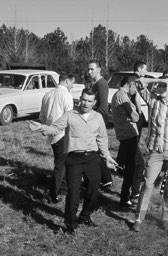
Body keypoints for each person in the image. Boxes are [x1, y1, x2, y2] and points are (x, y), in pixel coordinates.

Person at [29, 88, 118, 234]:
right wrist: (42, 127)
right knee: (74, 193)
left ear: (94, 103)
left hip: (92, 158)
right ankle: (70, 223)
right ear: (80, 99)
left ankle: (85, 216)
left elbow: (102, 138)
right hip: (74, 159)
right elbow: (56, 128)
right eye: (83, 100)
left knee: (92, 191)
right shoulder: (70, 115)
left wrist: (107, 157)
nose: (86, 103)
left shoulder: (98, 118)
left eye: (89, 101)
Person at [132, 76, 168, 232]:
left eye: (165, 86)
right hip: (155, 153)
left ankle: (165, 218)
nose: (161, 88)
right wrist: (155, 81)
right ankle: (138, 218)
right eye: (159, 85)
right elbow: (138, 83)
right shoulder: (153, 101)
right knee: (148, 184)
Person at [38, 72, 75, 204]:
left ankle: (63, 189)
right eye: (72, 83)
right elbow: (69, 117)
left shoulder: (47, 94)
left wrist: (45, 128)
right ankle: (52, 194)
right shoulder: (66, 95)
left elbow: (41, 115)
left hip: (51, 134)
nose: (72, 86)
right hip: (62, 134)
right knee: (60, 165)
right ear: (66, 81)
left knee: (63, 162)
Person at [111, 74, 140, 207]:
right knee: (134, 167)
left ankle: (132, 192)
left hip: (124, 135)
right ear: (131, 84)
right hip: (128, 135)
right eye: (136, 86)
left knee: (133, 165)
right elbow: (136, 118)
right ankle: (127, 196)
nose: (137, 89)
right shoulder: (124, 98)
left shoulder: (118, 95)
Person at [87, 60, 113, 188]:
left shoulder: (101, 84)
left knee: (98, 149)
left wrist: (94, 118)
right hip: (95, 118)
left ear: (99, 70)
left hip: (99, 119)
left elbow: (103, 106)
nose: (89, 72)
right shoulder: (94, 83)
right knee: (96, 149)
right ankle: (105, 178)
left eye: (92, 69)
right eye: (88, 69)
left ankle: (106, 177)